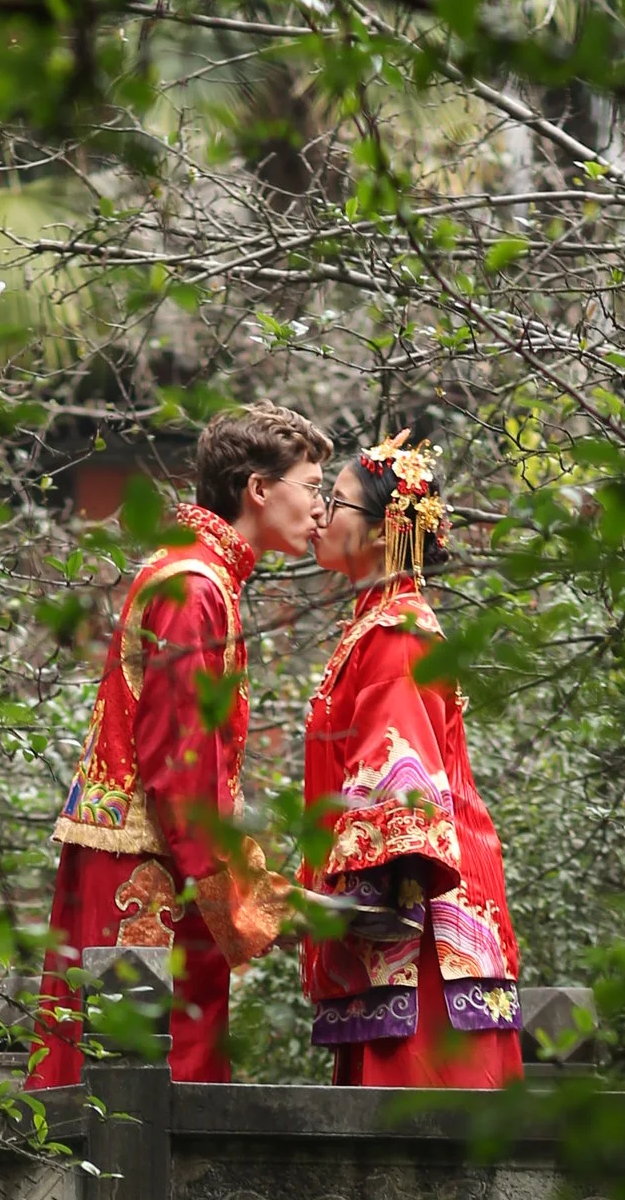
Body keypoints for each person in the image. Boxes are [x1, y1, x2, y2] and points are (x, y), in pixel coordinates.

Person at [26, 404, 331, 1089]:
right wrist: (256, 901)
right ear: (258, 488)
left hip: (148, 861)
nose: (321, 507)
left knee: (123, 1081)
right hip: (150, 876)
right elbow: (180, 771)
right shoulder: (194, 587)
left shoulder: (196, 573)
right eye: (312, 486)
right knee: (141, 1096)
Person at [301, 439, 523, 1088]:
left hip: (416, 939)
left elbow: (403, 780)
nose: (319, 514)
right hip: (396, 936)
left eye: (334, 502)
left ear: (385, 529)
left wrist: (351, 902)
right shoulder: (375, 626)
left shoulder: (397, 633)